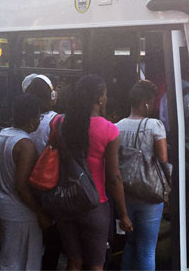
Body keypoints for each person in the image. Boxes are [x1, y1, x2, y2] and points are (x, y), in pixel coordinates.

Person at [55, 74, 133, 270]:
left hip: (65, 200)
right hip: (94, 203)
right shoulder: (109, 130)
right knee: (96, 265)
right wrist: (123, 215)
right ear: (100, 98)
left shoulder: (60, 123)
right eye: (105, 94)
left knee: (74, 261)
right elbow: (114, 177)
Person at [0, 94, 51, 270]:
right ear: (31, 119)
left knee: (8, 255)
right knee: (18, 260)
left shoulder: (2, 133)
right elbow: (21, 186)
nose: (39, 121)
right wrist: (40, 213)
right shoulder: (26, 144)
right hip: (19, 211)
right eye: (39, 117)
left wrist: (0, 182)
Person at [116, 80, 168, 270]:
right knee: (147, 249)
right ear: (145, 102)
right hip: (149, 196)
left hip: (125, 195)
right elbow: (163, 158)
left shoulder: (116, 126)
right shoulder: (155, 126)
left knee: (130, 244)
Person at [22, 73, 62, 270]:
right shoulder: (56, 121)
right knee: (53, 241)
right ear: (50, 96)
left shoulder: (25, 122)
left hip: (27, 183)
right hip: (49, 185)